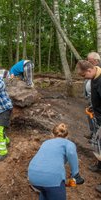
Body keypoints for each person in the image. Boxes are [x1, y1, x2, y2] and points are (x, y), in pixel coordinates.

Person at [28, 123, 84, 200]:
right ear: (67, 135)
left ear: (52, 134)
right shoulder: (68, 143)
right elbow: (71, 153)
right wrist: (76, 175)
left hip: (33, 175)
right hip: (52, 178)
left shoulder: (46, 142)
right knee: (51, 187)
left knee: (45, 191)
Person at [76, 60, 101, 193]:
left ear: (90, 70)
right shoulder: (94, 77)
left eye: (84, 76)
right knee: (98, 145)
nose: (84, 79)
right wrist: (93, 107)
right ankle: (100, 165)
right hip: (98, 117)